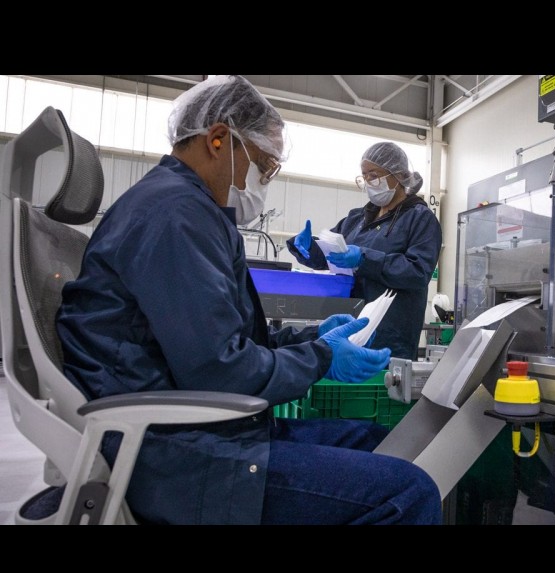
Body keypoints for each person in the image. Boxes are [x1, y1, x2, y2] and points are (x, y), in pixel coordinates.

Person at [55, 75, 442, 525]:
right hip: (175, 449)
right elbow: (221, 369)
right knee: (410, 491)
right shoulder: (175, 217)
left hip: (202, 423)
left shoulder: (186, 209)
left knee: (380, 442)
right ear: (218, 140)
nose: (265, 180)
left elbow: (225, 342)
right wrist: (320, 357)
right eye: (265, 166)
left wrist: (313, 337)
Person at [287, 141, 442, 361]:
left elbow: (417, 272)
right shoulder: (357, 218)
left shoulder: (420, 219)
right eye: (364, 176)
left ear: (398, 175)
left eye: (374, 175)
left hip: (390, 334)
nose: (369, 182)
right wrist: (308, 247)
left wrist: (364, 259)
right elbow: (330, 255)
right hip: (347, 327)